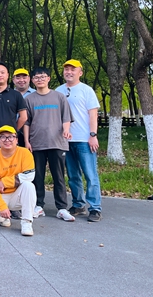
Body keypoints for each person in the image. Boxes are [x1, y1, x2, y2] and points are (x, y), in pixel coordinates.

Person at [24, 67, 74, 221]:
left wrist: (66, 130)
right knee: (37, 176)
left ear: (48, 78)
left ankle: (62, 208)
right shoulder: (29, 99)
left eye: (43, 77)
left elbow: (66, 118)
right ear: (32, 80)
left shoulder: (59, 97)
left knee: (58, 176)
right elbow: (26, 122)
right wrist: (26, 141)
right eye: (36, 77)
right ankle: (38, 205)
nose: (40, 79)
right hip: (37, 143)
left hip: (57, 143)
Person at [56, 59, 103, 222]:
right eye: (66, 69)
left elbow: (93, 115)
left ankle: (95, 207)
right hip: (65, 141)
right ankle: (78, 204)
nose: (69, 72)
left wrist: (93, 135)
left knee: (90, 175)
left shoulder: (86, 90)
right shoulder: (58, 91)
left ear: (80, 72)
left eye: (72, 69)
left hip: (84, 139)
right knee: (73, 175)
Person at [0, 126, 36, 236]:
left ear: (16, 140)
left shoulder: (25, 153)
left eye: (11, 137)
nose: (7, 140)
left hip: (18, 194)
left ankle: (26, 222)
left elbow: (29, 175)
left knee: (29, 186)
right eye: (3, 137)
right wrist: (2, 207)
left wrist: (5, 181)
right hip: (1, 194)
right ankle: (4, 218)